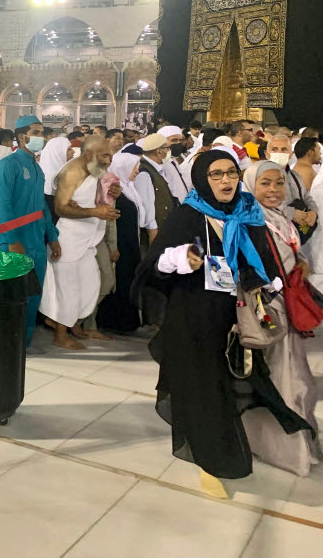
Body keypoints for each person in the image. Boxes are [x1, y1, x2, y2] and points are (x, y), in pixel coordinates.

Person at [133, 151, 313, 495]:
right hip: (195, 319)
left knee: (239, 382)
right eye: (216, 175)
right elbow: (153, 268)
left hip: (238, 317)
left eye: (231, 173)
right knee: (204, 387)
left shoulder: (248, 211)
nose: (226, 181)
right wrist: (180, 258)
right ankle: (215, 458)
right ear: (203, 179)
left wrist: (268, 281)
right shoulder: (190, 214)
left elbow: (264, 259)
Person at [240, 160, 321, 476]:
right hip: (271, 314)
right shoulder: (248, 222)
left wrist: (300, 263)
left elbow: (289, 252)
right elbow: (247, 275)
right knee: (283, 379)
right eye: (265, 184)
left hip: (289, 309)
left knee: (295, 377)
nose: (274, 190)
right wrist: (267, 318)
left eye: (279, 183)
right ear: (251, 186)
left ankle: (297, 444)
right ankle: (287, 452)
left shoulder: (279, 217)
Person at [39, 136, 120, 349]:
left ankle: (69, 323)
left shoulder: (94, 169)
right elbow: (61, 208)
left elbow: (98, 194)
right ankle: (60, 333)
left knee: (91, 285)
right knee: (68, 288)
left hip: (88, 239)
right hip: (68, 237)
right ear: (88, 154)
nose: (109, 160)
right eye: (105, 155)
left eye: (110, 155)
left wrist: (113, 193)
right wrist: (95, 212)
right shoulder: (72, 172)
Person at [0, 115, 61, 349]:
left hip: (35, 241)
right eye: (37, 133)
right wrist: (12, 241)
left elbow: (42, 206)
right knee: (13, 295)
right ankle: (7, 344)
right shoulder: (7, 165)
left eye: (42, 133)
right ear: (22, 137)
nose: (41, 138)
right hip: (14, 242)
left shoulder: (36, 167)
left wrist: (52, 236)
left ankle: (24, 342)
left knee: (32, 294)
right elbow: (3, 206)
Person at [95, 152, 144, 334]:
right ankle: (113, 322)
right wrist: (112, 246)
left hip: (130, 244)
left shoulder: (127, 188)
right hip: (118, 245)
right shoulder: (111, 187)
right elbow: (110, 220)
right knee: (115, 283)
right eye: (134, 167)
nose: (137, 171)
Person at [136, 133, 175, 246]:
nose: (169, 151)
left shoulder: (157, 169)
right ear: (159, 151)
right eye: (167, 148)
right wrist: (153, 235)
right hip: (154, 233)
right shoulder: (144, 173)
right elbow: (147, 207)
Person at [38, 135, 73, 219]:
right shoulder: (52, 177)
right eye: (69, 149)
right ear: (58, 153)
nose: (73, 152)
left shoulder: (64, 171)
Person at [157, 126, 189, 202]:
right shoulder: (160, 163)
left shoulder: (173, 160)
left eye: (180, 140)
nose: (178, 143)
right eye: (174, 140)